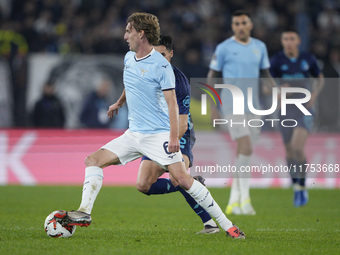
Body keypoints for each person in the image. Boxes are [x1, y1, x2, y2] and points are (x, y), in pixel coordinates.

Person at [57, 12, 245, 239]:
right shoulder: (129, 58)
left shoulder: (161, 66)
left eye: (129, 31)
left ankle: (229, 227)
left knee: (183, 180)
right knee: (93, 161)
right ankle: (84, 212)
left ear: (141, 33)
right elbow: (131, 81)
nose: (125, 35)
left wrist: (174, 137)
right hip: (134, 134)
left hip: (159, 136)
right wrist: (119, 101)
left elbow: (172, 103)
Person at [136, 35, 219, 234]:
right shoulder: (145, 76)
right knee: (143, 185)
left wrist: (172, 140)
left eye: (162, 54)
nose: (158, 59)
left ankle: (210, 224)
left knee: (177, 179)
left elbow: (182, 121)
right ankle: (192, 183)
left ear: (171, 54)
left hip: (179, 133)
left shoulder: (179, 80)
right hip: (156, 135)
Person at [208, 10, 275, 215]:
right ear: (233, 26)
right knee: (245, 147)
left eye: (243, 23)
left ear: (250, 25)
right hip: (231, 105)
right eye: (236, 23)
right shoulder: (224, 48)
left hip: (253, 107)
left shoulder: (259, 47)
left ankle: (234, 201)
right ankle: (245, 199)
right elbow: (212, 77)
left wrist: (274, 89)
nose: (240, 26)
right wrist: (212, 106)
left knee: (243, 154)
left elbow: (265, 74)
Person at [270, 28, 324, 207]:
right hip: (285, 110)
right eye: (285, 39)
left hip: (304, 109)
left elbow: (320, 78)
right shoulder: (277, 61)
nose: (289, 42)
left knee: (297, 147)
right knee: (289, 151)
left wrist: (314, 95)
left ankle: (302, 187)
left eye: (292, 38)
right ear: (282, 41)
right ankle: (296, 187)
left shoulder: (308, 60)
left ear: (298, 41)